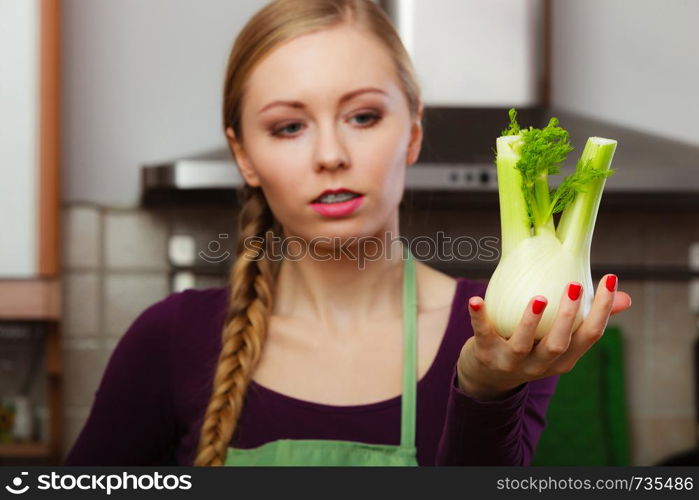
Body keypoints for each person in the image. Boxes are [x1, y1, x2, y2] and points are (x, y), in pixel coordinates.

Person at [64, 0, 632, 467]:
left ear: (411, 132)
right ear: (245, 155)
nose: (331, 156)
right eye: (288, 127)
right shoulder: (169, 338)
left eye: (362, 117)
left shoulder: (504, 333)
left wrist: (485, 389)